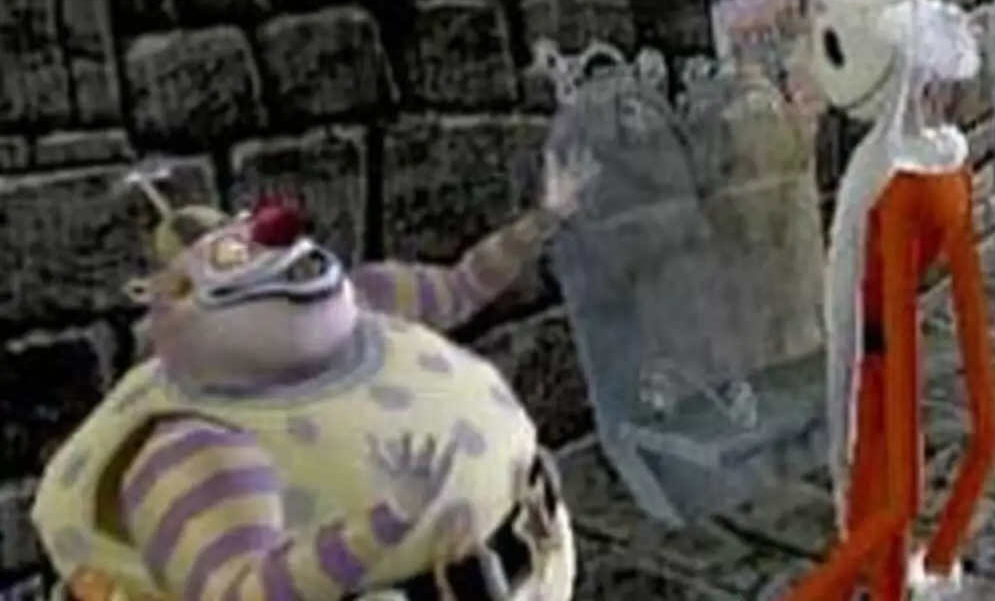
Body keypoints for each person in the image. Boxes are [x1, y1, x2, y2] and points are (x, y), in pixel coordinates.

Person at [31, 150, 598, 601]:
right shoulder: (193, 447)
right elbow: (242, 591)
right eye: (237, 257)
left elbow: (462, 286)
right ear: (179, 299)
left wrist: (543, 219)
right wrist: (385, 522)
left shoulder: (369, 300)